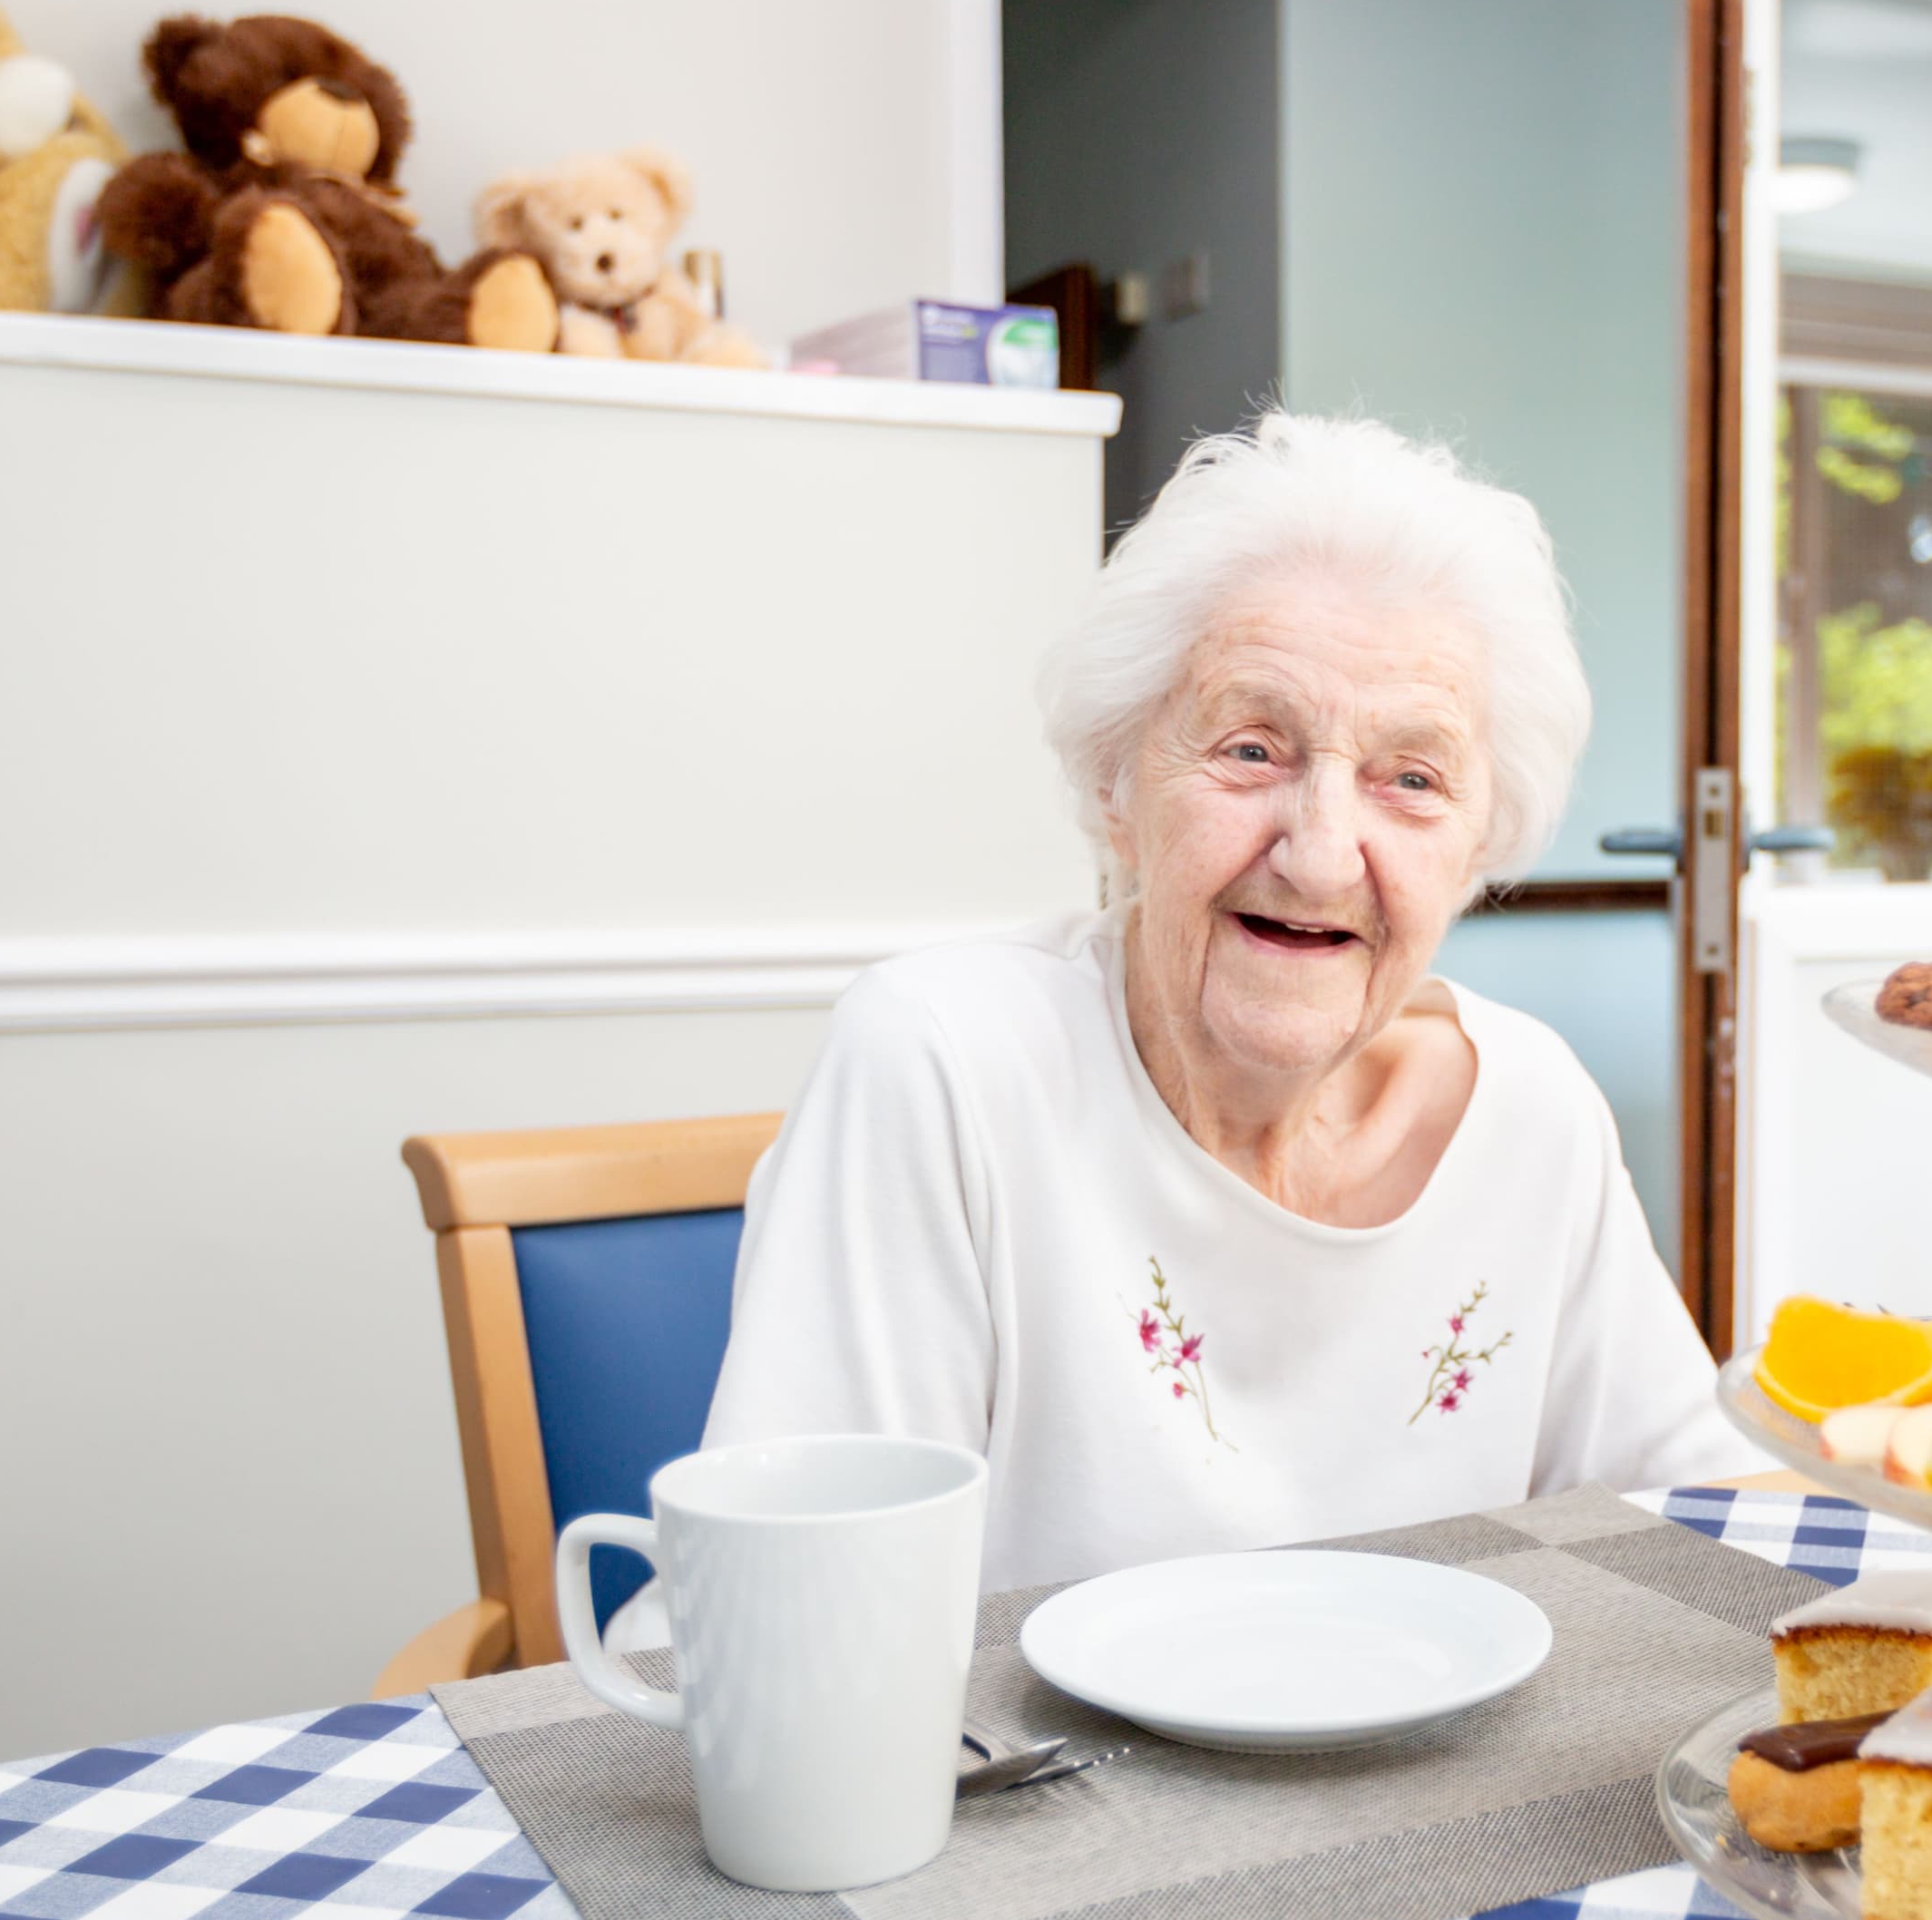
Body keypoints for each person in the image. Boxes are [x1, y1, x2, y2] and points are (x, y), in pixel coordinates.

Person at [664, 412, 1750, 1596]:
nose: (1324, 853)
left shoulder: (1534, 1112)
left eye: (1413, 778)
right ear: (1116, 785)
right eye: (1251, 748)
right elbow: (803, 1609)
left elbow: (1698, 1532)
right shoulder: (948, 1065)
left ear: (1480, 843)